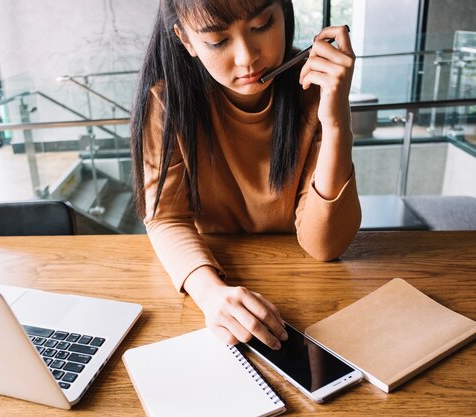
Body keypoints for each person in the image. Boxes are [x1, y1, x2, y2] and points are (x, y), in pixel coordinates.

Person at [130, 0, 361, 350]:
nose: (247, 58)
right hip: (210, 271)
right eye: (218, 41)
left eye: (263, 25)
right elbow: (166, 219)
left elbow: (325, 246)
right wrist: (210, 294)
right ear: (186, 41)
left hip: (310, 287)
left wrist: (336, 122)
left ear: (285, 13)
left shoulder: (313, 89)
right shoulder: (168, 102)